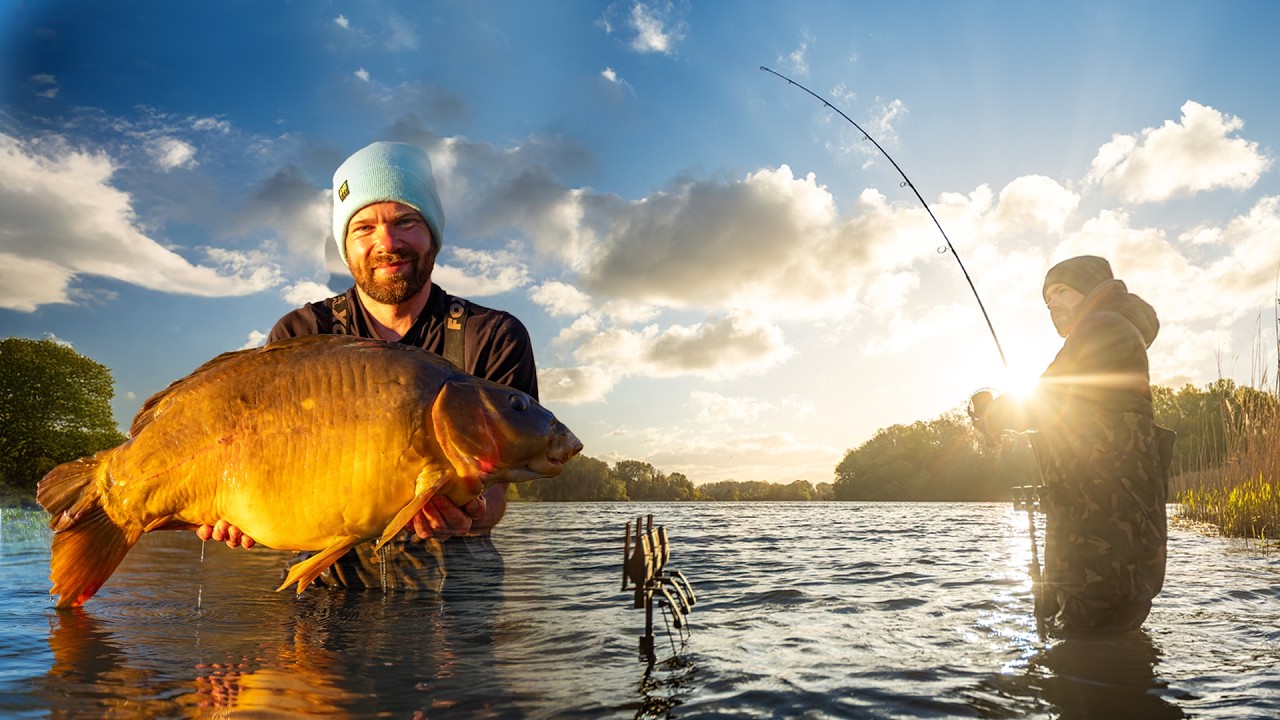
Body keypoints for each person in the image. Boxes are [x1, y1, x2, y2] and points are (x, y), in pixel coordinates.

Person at [197, 141, 539, 589]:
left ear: (432, 233)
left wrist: (469, 514)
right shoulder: (300, 332)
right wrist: (232, 509)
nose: (387, 243)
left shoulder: (492, 335)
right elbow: (265, 475)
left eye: (406, 221)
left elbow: (495, 494)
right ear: (345, 244)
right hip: (327, 587)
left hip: (459, 596)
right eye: (364, 227)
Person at [969, 255, 1175, 636]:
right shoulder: (1115, 332)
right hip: (1119, 540)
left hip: (1100, 545)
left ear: (1094, 289)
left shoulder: (1102, 327)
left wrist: (992, 417)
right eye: (1047, 301)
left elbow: (1048, 395)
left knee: (1082, 657)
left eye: (1061, 291)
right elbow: (1076, 415)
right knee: (1113, 655)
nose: (1053, 305)